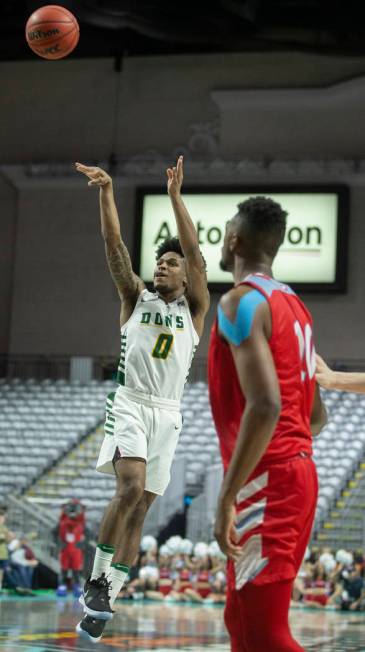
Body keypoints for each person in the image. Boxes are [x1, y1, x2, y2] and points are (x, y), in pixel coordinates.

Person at [74, 156, 209, 642]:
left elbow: (195, 253)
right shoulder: (136, 296)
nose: (162, 267)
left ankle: (105, 596)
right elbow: (115, 248)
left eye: (170, 264)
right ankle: (95, 580)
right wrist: (108, 193)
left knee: (142, 509)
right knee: (128, 489)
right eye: (159, 261)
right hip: (130, 401)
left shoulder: (195, 309)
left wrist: (176, 199)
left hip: (168, 414)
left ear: (186, 277)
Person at [208, 196, 327, 652]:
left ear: (235, 240)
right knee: (241, 623)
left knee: (263, 633)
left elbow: (265, 406)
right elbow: (315, 416)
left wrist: (227, 497)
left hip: (269, 481)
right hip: (293, 473)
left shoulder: (240, 302)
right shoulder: (295, 306)